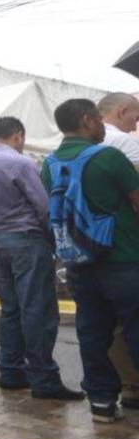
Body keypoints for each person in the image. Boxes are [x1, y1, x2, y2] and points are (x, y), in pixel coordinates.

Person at [0, 116, 83, 399]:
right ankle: (44, 378)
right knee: (38, 308)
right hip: (24, 238)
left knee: (11, 308)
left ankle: (11, 371)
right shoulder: (20, 163)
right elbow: (43, 208)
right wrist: (54, 240)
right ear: (18, 136)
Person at [41, 99, 139, 423]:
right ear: (86, 120)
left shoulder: (49, 164)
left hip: (78, 261)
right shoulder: (109, 157)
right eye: (98, 119)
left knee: (93, 332)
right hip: (122, 256)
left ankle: (101, 401)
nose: (101, 125)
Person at [97, 92, 139, 409]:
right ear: (122, 110)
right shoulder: (124, 144)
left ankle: (120, 388)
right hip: (126, 244)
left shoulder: (76, 147)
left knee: (106, 323)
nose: (135, 124)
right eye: (134, 117)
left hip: (91, 249)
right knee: (132, 318)